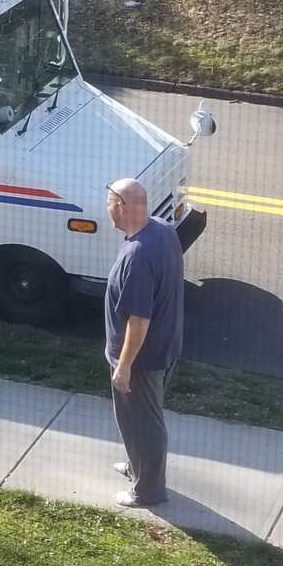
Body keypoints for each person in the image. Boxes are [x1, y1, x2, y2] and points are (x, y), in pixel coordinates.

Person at [104, 178, 184, 507]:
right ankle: (139, 466)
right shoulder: (163, 230)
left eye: (109, 202)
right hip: (166, 346)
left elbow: (138, 322)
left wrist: (124, 367)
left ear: (121, 207)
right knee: (140, 419)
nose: (107, 208)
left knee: (145, 422)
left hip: (141, 360)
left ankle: (148, 490)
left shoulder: (138, 256)